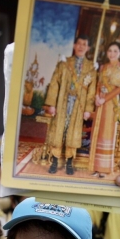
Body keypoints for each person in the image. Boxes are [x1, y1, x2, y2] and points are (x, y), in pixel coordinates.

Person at [44, 35, 97, 176]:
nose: (81, 46)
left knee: (73, 133)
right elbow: (55, 83)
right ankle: (54, 162)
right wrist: (52, 104)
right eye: (79, 43)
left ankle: (69, 163)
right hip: (63, 101)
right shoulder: (64, 63)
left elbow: (91, 91)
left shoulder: (91, 68)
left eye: (84, 44)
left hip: (78, 105)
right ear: (74, 46)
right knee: (59, 130)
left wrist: (88, 109)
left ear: (88, 48)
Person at [89, 42, 120, 177]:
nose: (112, 53)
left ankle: (105, 170)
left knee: (107, 134)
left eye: (115, 51)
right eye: (110, 50)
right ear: (107, 52)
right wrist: (96, 97)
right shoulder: (103, 67)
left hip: (111, 103)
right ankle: (96, 167)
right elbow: (99, 84)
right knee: (97, 133)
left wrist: (104, 99)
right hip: (100, 103)